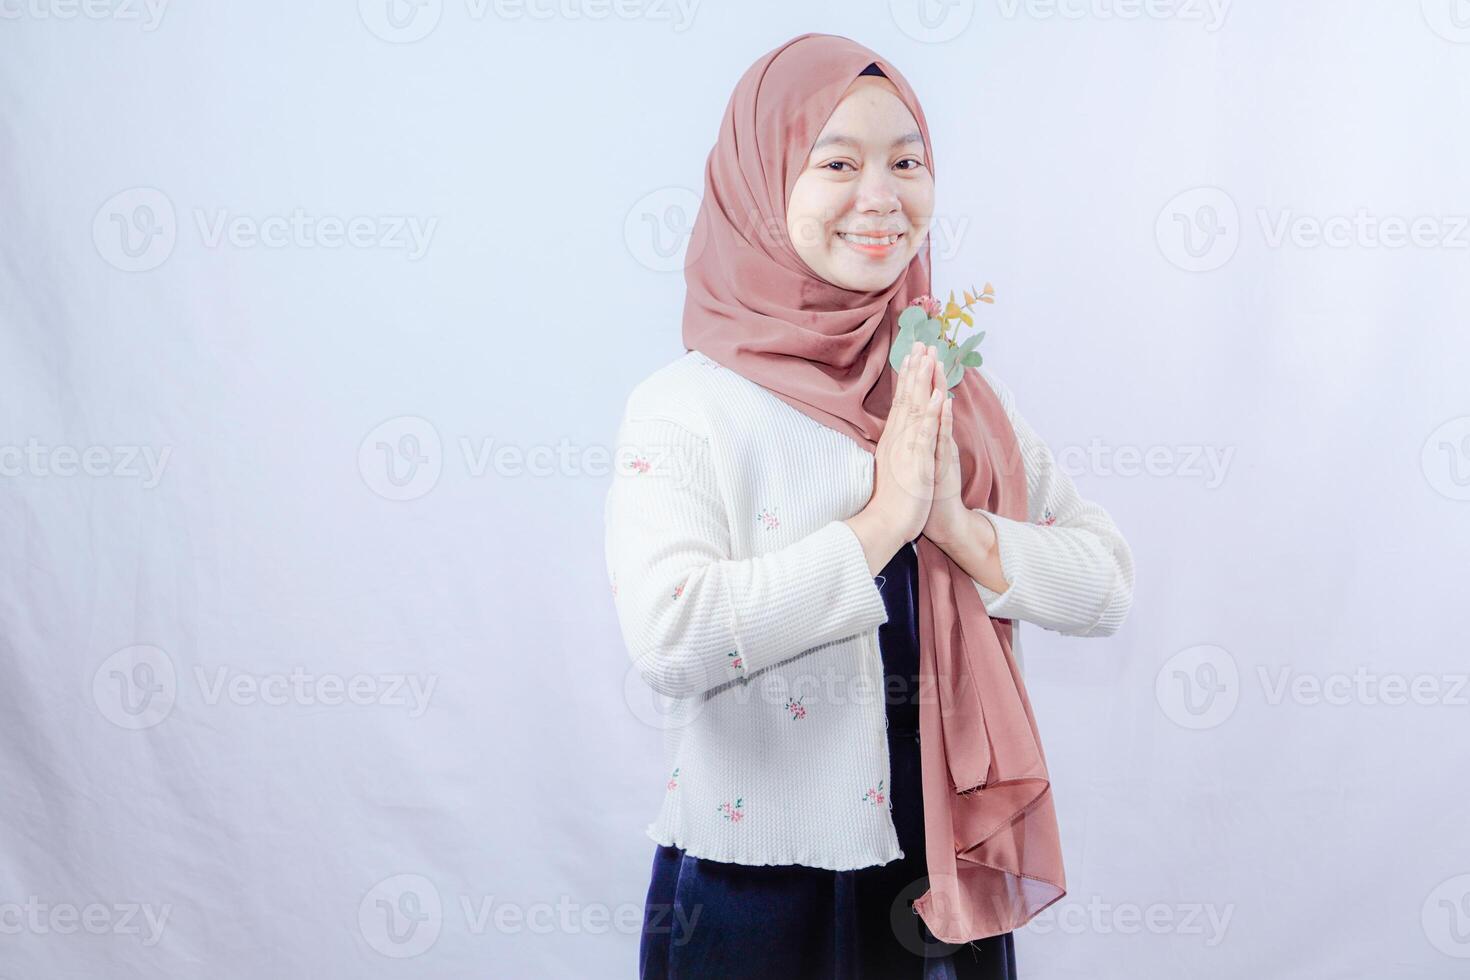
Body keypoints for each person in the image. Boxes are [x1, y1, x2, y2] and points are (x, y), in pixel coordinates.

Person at [604, 33, 1134, 979]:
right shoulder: (690, 406)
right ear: (761, 184)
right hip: (758, 888)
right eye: (837, 163)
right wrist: (881, 524)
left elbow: (1106, 584)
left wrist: (961, 530)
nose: (882, 197)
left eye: (907, 162)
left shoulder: (949, 388)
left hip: (939, 879)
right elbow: (668, 639)